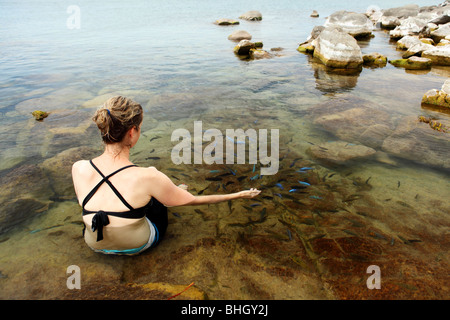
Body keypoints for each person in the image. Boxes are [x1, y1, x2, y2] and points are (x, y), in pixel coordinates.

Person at [71, 96, 261, 255]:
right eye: (139, 128)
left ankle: (168, 193)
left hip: (94, 243)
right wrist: (239, 194)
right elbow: (192, 201)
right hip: (137, 246)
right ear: (132, 132)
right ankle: (172, 192)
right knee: (158, 201)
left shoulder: (79, 168)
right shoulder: (148, 176)